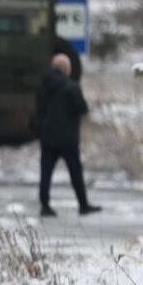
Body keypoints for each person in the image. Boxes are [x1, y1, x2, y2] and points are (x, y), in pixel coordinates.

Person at [35, 54, 100, 217]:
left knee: (46, 172)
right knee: (75, 173)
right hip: (68, 138)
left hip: (48, 137)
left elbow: (38, 109)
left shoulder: (43, 85)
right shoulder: (71, 87)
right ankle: (83, 205)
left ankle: (45, 206)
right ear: (66, 69)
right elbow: (82, 108)